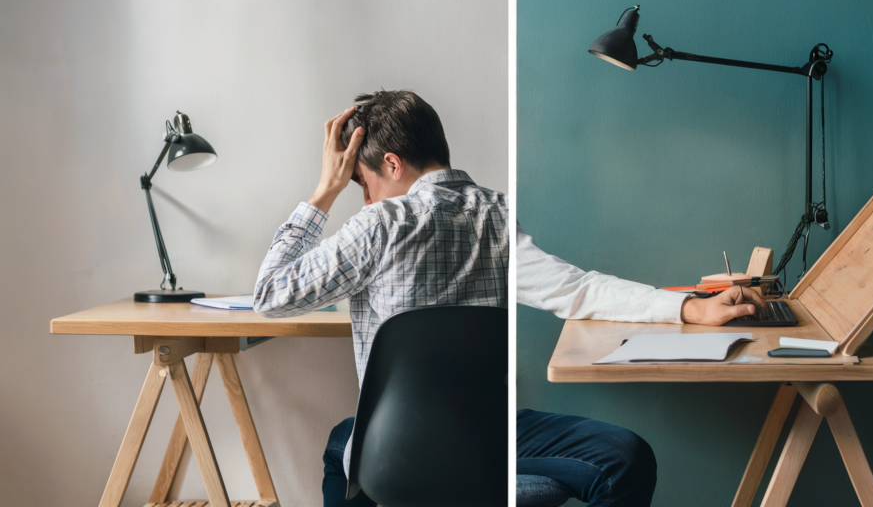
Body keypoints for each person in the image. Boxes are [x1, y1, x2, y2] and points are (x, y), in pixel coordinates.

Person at [253, 90, 508, 507]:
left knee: (342, 445)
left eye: (363, 183)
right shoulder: (503, 213)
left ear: (392, 163)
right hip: (488, 450)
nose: (367, 199)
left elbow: (268, 295)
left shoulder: (380, 223)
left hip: (399, 460)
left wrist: (325, 191)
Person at [516, 223, 764, 507]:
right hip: (458, 445)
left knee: (627, 458)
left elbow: (574, 289)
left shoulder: (489, 213)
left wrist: (694, 307)